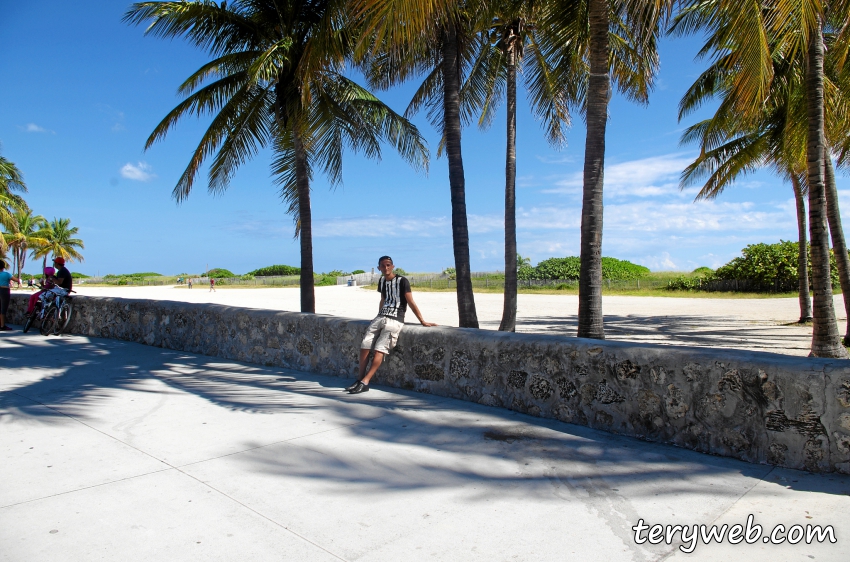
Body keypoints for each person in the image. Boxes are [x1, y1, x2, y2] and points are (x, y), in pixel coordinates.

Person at [346, 255, 436, 394]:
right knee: (365, 345)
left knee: (380, 349)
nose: (386, 268)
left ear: (393, 266)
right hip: (381, 316)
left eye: (388, 265)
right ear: (379, 268)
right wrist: (377, 315)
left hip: (395, 319)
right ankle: (359, 379)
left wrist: (422, 321)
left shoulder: (402, 281)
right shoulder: (382, 281)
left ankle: (366, 381)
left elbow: (410, 302)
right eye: (383, 265)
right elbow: (383, 299)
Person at [0, 260, 22, 331]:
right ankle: (2, 325)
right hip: (4, 291)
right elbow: (17, 280)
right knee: (3, 309)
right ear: (3, 267)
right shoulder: (6, 274)